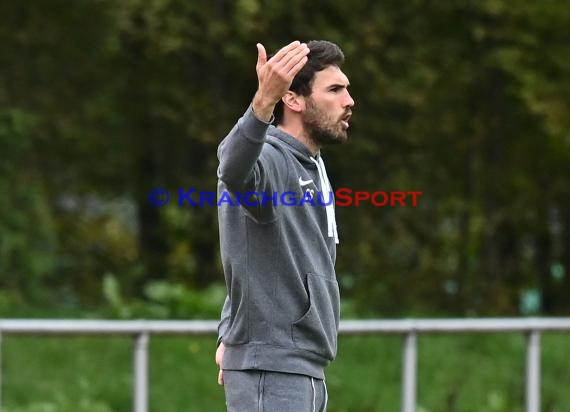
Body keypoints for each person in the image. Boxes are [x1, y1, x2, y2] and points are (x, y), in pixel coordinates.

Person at [215, 39, 354, 412]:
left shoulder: (311, 163)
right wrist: (262, 101)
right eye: (335, 90)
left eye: (347, 89)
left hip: (298, 366)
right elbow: (232, 169)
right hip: (273, 368)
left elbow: (249, 253)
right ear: (292, 100)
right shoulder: (270, 160)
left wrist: (231, 328)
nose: (349, 101)